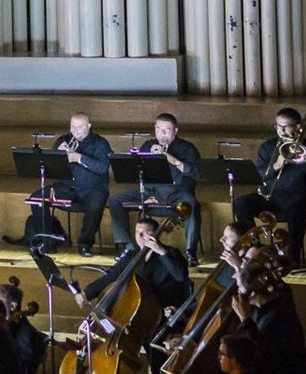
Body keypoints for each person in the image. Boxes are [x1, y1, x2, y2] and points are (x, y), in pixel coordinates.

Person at [105, 114, 202, 259]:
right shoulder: (148, 145)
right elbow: (136, 170)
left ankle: (190, 252)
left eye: (166, 130)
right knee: (115, 200)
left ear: (175, 130)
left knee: (192, 204)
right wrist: (147, 157)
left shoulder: (187, 148)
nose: (162, 134)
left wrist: (170, 159)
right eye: (158, 130)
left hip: (176, 194)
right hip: (150, 193)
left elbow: (196, 173)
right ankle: (128, 247)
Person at [234, 107, 306, 267]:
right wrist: (277, 164)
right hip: (271, 196)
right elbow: (260, 176)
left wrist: (301, 156)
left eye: (286, 126)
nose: (282, 131)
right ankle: (256, 249)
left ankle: (293, 259)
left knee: (296, 210)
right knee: (241, 203)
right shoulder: (268, 147)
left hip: (299, 197)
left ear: (298, 127)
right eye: (278, 126)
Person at [30, 113, 112, 256]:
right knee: (36, 199)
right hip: (65, 188)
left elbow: (102, 168)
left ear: (88, 126)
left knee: (95, 205)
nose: (75, 130)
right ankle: (48, 242)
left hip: (92, 189)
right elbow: (51, 167)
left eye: (79, 127)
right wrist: (57, 155)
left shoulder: (100, 143)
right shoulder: (63, 140)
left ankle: (85, 245)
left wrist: (79, 158)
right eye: (72, 126)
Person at [80, 217, 191, 312]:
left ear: (155, 234)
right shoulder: (131, 256)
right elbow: (111, 277)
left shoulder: (171, 253)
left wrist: (161, 251)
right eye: (137, 232)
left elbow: (181, 276)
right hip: (140, 308)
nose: (139, 236)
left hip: (166, 308)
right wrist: (86, 294)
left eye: (145, 233)